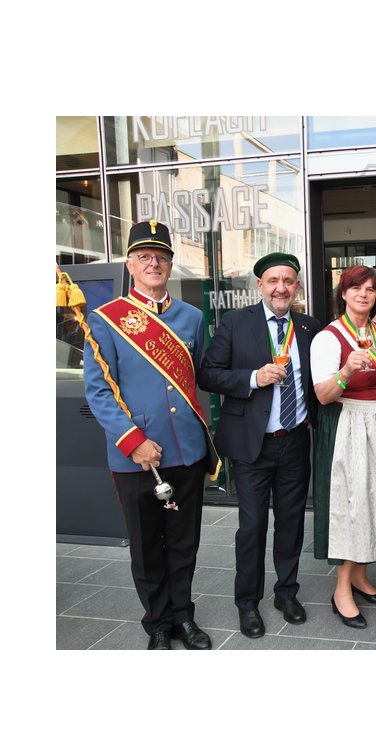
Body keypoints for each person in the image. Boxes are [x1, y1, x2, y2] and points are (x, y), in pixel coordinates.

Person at [83, 221, 220, 650]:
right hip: (136, 457)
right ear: (130, 264)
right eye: (144, 256)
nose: (153, 263)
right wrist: (133, 440)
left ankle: (184, 617)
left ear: (171, 264)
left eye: (161, 256)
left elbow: (195, 375)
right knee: (146, 547)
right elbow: (98, 390)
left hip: (186, 452)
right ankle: (158, 622)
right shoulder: (105, 320)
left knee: (184, 543)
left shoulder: (192, 317)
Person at [197, 253, 318, 639]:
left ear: (297, 287)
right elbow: (208, 374)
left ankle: (286, 593)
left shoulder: (311, 327)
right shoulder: (235, 322)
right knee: (251, 527)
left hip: (296, 440)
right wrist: (253, 377)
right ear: (260, 286)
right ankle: (246, 603)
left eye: (288, 281)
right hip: (252, 444)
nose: (281, 287)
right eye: (273, 280)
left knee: (292, 523)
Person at [311, 266, 376, 628]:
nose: (363, 294)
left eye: (370, 289)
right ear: (343, 293)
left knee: (374, 502)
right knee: (351, 506)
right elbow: (323, 395)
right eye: (356, 288)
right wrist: (346, 371)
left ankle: (359, 576)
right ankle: (342, 590)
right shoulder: (328, 337)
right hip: (349, 426)